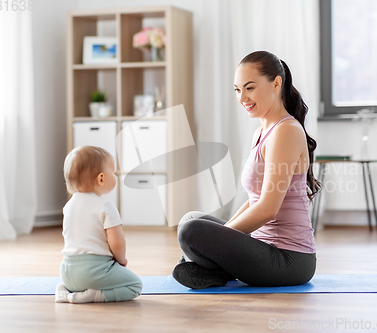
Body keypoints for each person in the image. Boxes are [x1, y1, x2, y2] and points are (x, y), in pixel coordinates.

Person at [172, 50, 320, 289]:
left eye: (249, 88)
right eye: (237, 90)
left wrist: (217, 241)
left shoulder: (286, 131)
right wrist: (218, 238)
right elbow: (255, 200)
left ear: (276, 83)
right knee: (191, 220)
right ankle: (212, 268)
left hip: (290, 260)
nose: (242, 98)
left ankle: (211, 268)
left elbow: (267, 209)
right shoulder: (262, 131)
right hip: (263, 245)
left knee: (192, 231)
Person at [55, 146, 142, 303]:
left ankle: (64, 288)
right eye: (113, 172)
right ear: (101, 179)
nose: (115, 175)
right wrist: (121, 260)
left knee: (76, 280)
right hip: (93, 271)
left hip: (67, 270)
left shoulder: (68, 206)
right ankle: (95, 295)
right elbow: (116, 242)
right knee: (135, 285)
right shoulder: (105, 206)